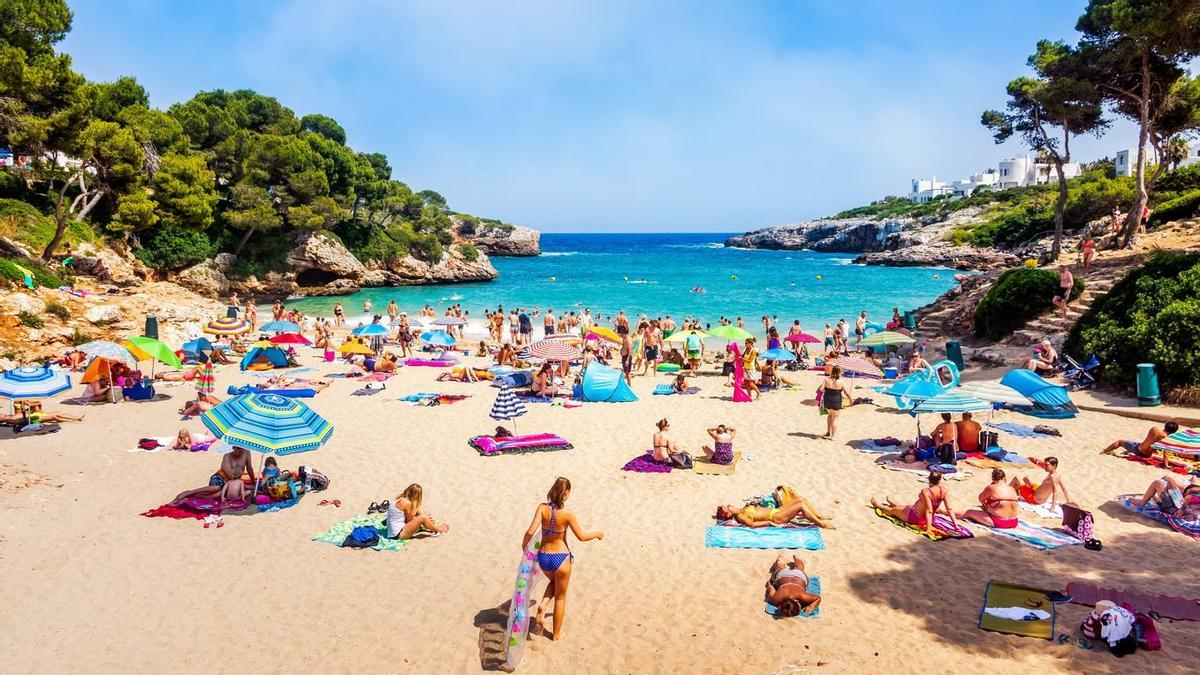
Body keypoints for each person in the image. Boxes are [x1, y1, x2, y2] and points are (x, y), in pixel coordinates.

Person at [522, 477, 603, 641]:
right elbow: (581, 536)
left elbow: (530, 532)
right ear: (566, 494)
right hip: (561, 558)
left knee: (554, 582)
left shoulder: (542, 508)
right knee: (561, 597)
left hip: (544, 558)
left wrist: (525, 548)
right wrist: (597, 534)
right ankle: (556, 635)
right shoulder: (568, 515)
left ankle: (543, 605)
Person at [872, 472, 960, 537]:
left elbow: (929, 510)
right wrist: (956, 526)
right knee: (908, 506)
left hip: (915, 517)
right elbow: (950, 509)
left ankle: (879, 506)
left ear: (929, 479)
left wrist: (929, 529)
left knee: (893, 511)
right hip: (929, 518)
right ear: (939, 480)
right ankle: (894, 503)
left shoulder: (927, 491)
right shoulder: (944, 491)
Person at [174, 445, 257, 503]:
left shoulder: (246, 453)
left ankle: (196, 496)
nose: (238, 451)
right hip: (220, 477)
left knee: (221, 493)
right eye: (236, 449)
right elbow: (230, 475)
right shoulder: (227, 457)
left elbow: (249, 467)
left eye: (240, 449)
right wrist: (242, 485)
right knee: (216, 488)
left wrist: (253, 481)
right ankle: (189, 492)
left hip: (233, 480)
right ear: (233, 447)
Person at [716, 494, 835, 529]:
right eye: (727, 507)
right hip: (776, 517)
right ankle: (821, 524)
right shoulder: (741, 516)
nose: (729, 505)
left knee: (800, 499)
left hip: (776, 510)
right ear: (729, 514)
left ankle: (820, 515)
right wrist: (768, 523)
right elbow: (752, 524)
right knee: (801, 506)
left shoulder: (742, 509)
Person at [386, 484, 450, 539]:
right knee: (423, 518)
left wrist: (426, 519)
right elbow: (409, 521)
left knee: (425, 517)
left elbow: (415, 513)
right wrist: (423, 518)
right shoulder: (407, 503)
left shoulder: (400, 498)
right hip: (398, 534)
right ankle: (438, 530)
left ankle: (434, 527)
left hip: (393, 532)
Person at [1102, 420, 1178, 458]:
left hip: (1138, 449)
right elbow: (1166, 453)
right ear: (1173, 431)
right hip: (1147, 455)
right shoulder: (1167, 439)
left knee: (1120, 442)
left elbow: (1150, 440)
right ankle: (1128, 451)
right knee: (1141, 444)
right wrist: (1166, 465)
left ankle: (1105, 451)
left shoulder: (1154, 429)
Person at [1129, 474, 1200, 513]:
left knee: (1158, 483)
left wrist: (1181, 511)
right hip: (1180, 504)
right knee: (1169, 480)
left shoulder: (1195, 490)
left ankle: (1142, 502)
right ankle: (1161, 498)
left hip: (1176, 508)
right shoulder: (1196, 489)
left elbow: (1188, 498)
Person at [816, 366, 848, 439]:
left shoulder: (826, 379)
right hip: (836, 401)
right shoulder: (841, 382)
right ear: (839, 373)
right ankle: (832, 437)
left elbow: (821, 389)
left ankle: (828, 432)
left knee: (829, 416)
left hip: (827, 400)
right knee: (835, 419)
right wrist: (851, 400)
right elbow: (846, 392)